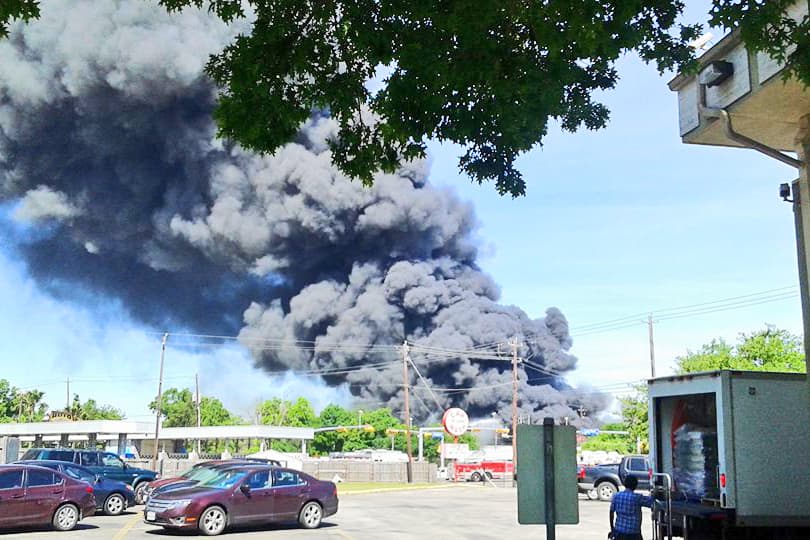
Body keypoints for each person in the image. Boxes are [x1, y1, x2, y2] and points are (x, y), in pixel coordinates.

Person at [609, 476, 654, 540]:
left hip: (619, 532)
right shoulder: (637, 498)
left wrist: (612, 528)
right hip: (634, 533)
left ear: (624, 484)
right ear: (635, 486)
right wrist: (653, 493)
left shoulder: (616, 496)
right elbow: (652, 502)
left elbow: (611, 512)